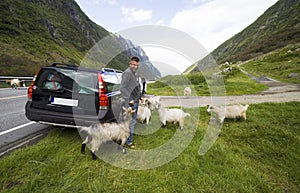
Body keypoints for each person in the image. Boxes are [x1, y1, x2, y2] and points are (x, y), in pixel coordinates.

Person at [120, 56, 143, 149]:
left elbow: (137, 87)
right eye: (133, 64)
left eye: (137, 65)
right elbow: (122, 88)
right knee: (130, 121)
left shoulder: (135, 74)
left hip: (136, 101)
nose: (135, 67)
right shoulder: (127, 73)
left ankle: (126, 138)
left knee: (133, 121)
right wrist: (130, 99)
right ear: (130, 63)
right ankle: (128, 141)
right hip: (130, 103)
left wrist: (140, 97)